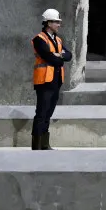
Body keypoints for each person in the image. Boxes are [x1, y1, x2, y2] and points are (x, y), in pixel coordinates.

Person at [31, 8, 73, 150]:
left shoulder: (58, 39)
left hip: (56, 81)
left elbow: (69, 55)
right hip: (44, 81)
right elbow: (48, 56)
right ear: (48, 22)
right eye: (56, 22)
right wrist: (58, 56)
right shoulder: (39, 39)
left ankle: (44, 144)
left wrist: (59, 55)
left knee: (48, 113)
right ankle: (37, 145)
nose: (58, 24)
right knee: (41, 113)